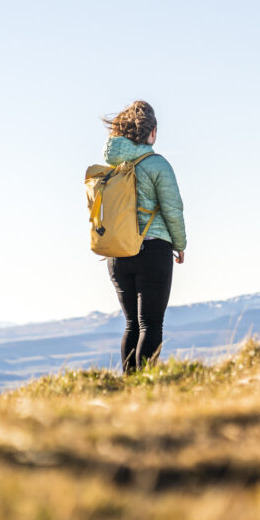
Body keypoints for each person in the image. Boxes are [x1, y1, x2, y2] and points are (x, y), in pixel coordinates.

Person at [102, 100, 186, 372]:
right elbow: (173, 209)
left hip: (117, 253)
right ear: (152, 132)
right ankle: (144, 387)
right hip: (152, 250)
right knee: (151, 323)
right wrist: (180, 244)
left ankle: (129, 387)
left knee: (131, 324)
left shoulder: (112, 167)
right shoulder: (156, 164)